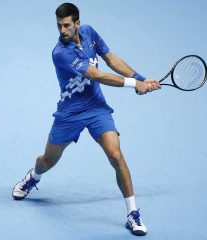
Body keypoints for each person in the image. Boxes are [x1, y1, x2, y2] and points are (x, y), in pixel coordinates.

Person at [12, 2, 160, 236]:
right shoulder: (61, 53)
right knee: (47, 160)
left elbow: (111, 59)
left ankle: (132, 213)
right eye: (59, 26)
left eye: (67, 25)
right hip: (69, 114)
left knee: (116, 155)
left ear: (77, 23)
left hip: (96, 108)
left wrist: (142, 79)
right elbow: (97, 75)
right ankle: (33, 176)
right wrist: (135, 84)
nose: (62, 31)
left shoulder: (90, 32)